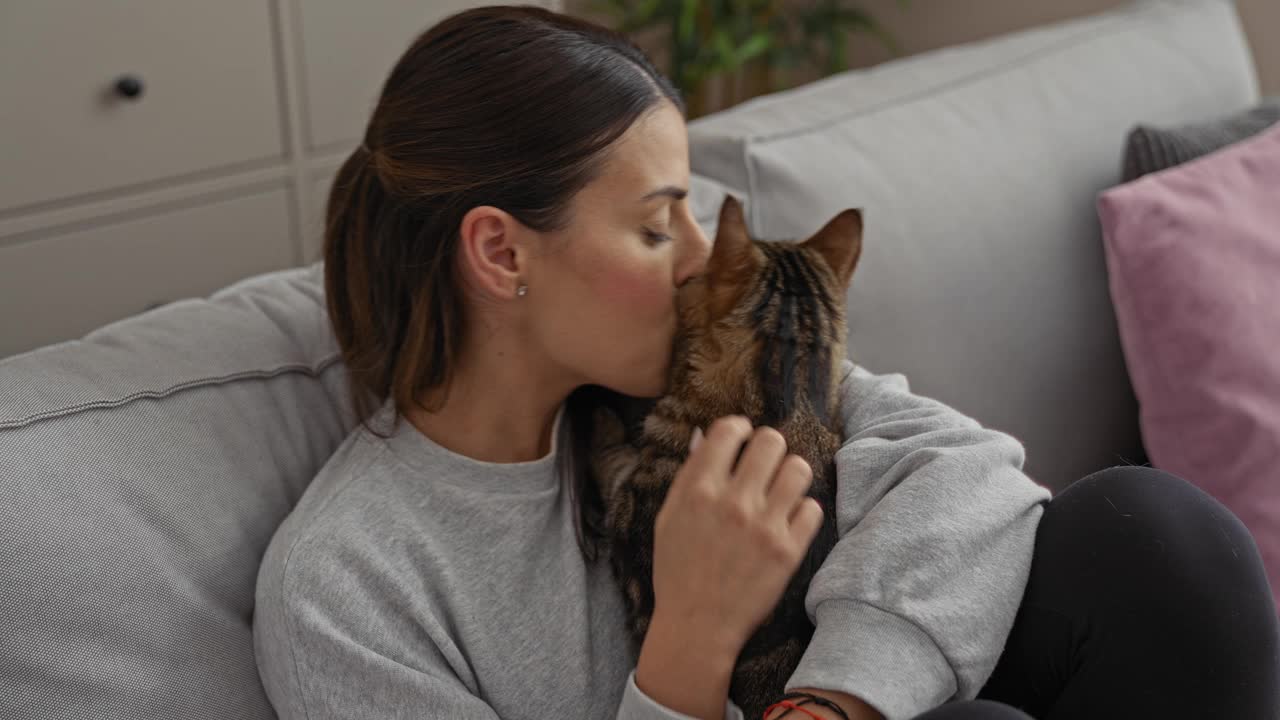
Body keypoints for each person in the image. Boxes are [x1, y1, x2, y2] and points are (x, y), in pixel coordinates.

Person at [251, 6, 1280, 720]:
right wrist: (688, 642)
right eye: (658, 228)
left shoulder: (694, 374)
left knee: (1160, 539)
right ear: (501, 252)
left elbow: (969, 471)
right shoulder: (347, 587)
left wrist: (834, 697)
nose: (704, 258)